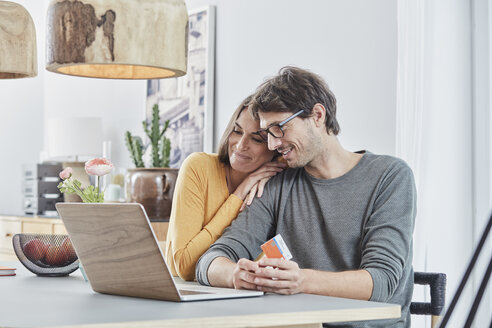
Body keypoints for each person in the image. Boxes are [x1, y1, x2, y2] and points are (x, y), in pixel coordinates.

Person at [196, 67, 416, 327]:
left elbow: (382, 282)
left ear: (317, 116)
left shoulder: (389, 176)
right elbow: (209, 261)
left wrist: (302, 281)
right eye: (268, 133)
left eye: (279, 128)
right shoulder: (279, 181)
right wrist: (235, 274)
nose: (273, 145)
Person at [165, 95, 286, 281]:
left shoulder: (275, 184)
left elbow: (270, 261)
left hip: (244, 291)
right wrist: (239, 193)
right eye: (237, 131)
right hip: (187, 289)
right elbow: (186, 266)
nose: (240, 145)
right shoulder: (198, 167)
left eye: (256, 139)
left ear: (274, 147)